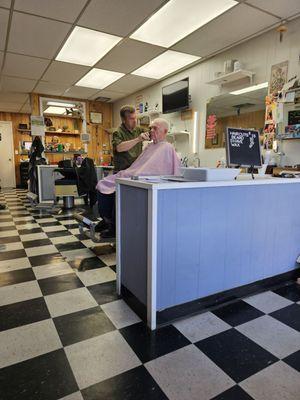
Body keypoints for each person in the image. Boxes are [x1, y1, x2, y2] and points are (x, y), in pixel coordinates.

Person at [96, 118, 181, 238]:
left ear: (165, 131)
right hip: (133, 174)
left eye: (155, 128)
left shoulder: (167, 147)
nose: (151, 130)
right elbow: (140, 162)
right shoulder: (149, 146)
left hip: (144, 179)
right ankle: (107, 220)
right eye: (150, 128)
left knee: (118, 189)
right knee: (103, 182)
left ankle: (114, 227)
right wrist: (131, 172)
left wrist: (137, 174)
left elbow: (163, 170)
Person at [112, 105, 150, 172]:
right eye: (131, 119)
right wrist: (138, 139)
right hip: (122, 172)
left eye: (135, 118)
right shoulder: (117, 132)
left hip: (135, 170)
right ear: (123, 120)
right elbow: (119, 148)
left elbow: (151, 132)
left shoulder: (139, 130)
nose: (135, 121)